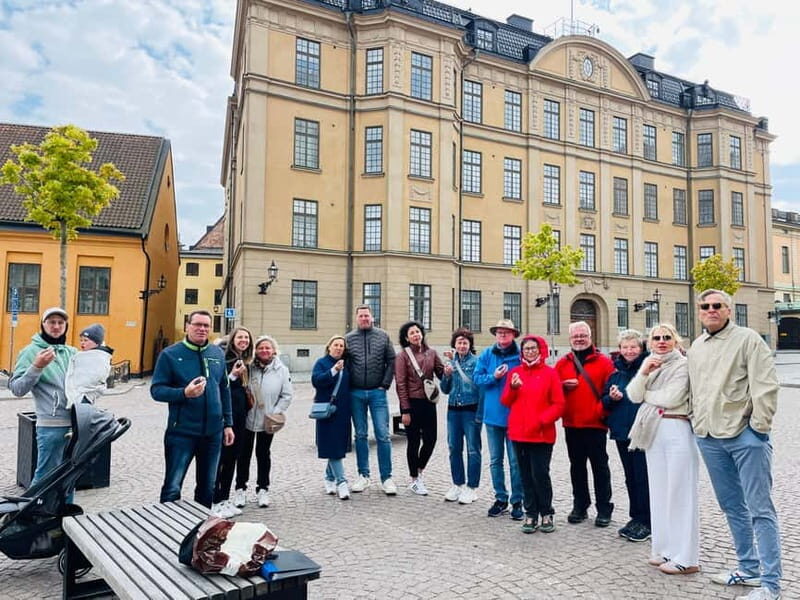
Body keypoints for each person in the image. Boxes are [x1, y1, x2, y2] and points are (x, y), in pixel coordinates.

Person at [688, 289, 782, 600]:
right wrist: (696, 421)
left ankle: (770, 586)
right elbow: (693, 389)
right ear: (699, 311)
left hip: (744, 437)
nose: (711, 310)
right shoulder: (697, 346)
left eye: (718, 306)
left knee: (760, 510)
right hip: (710, 438)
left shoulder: (748, 339)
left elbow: (765, 386)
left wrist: (757, 429)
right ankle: (748, 568)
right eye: (706, 306)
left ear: (729, 310)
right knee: (732, 507)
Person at [627, 324, 699, 575]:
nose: (661, 341)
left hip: (676, 428)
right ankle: (666, 548)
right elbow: (634, 394)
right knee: (659, 491)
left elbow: (673, 398)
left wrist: (648, 395)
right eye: (656, 338)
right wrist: (644, 374)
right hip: (654, 431)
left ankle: (686, 557)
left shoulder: (681, 364)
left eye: (667, 337)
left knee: (680, 493)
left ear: (675, 340)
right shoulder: (650, 363)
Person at [151, 310, 234, 508]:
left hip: (213, 434)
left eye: (206, 325)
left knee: (208, 487)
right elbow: (157, 390)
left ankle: (201, 531)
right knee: (172, 486)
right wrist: (184, 393)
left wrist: (228, 423)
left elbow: (224, 389)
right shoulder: (170, 354)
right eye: (197, 324)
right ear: (187, 326)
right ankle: (167, 528)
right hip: (182, 433)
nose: (202, 329)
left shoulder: (217, 354)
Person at [501, 335, 564, 534]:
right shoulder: (515, 373)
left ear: (540, 350)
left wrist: (542, 420)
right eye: (526, 348)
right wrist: (512, 388)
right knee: (525, 475)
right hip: (519, 433)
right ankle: (531, 512)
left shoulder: (550, 373)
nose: (529, 351)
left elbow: (559, 404)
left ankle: (546, 512)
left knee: (540, 474)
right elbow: (506, 401)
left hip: (542, 434)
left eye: (533, 348)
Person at [555, 321, 615, 527]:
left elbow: (610, 392)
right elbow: (552, 392)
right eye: (575, 336)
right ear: (569, 339)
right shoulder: (563, 363)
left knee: (600, 467)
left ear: (590, 337)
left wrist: (602, 412)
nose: (579, 339)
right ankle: (580, 505)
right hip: (571, 424)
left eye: (583, 335)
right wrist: (561, 387)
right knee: (577, 467)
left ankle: (604, 508)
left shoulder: (604, 362)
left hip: (595, 424)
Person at [10, 307, 77, 486]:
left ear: (66, 326)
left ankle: (64, 514)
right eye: (51, 322)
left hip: (77, 424)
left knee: (69, 478)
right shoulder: (30, 352)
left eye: (60, 323)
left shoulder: (72, 352)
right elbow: (17, 389)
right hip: (51, 426)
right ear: (43, 325)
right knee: (45, 478)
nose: (56, 326)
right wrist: (37, 366)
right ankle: (34, 513)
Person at [601, 329, 651, 543]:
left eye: (634, 347)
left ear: (641, 348)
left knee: (643, 478)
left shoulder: (648, 371)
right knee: (630, 477)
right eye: (625, 347)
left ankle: (647, 521)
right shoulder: (615, 374)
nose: (629, 351)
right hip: (622, 433)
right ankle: (635, 517)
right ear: (619, 349)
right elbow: (604, 402)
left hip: (642, 433)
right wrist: (611, 398)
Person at [473, 319, 524, 520]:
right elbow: (477, 379)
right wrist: (493, 376)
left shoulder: (520, 356)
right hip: (492, 416)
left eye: (506, 332)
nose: (502, 335)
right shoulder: (487, 354)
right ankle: (501, 498)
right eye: (499, 332)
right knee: (495, 461)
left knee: (515, 462)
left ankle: (517, 501)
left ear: (513, 335)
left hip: (515, 416)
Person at [345, 305, 398, 495]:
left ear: (372, 317)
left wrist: (384, 384)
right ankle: (363, 475)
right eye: (361, 316)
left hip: (377, 392)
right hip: (356, 393)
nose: (364, 318)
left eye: (367, 315)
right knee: (360, 435)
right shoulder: (349, 339)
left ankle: (387, 477)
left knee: (383, 434)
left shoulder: (382, 336)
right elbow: (344, 363)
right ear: (357, 318)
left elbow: (392, 360)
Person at [236, 335, 293, 508]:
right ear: (256, 351)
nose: (264, 351)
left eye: (268, 348)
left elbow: (287, 395)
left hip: (267, 421)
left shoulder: (281, 370)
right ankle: (240, 489)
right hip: (247, 419)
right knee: (243, 455)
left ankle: (263, 489)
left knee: (263, 454)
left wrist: (274, 413)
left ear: (274, 350)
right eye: (261, 348)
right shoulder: (248, 367)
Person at [394, 320, 444, 495]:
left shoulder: (432, 353)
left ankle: (420, 470)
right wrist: (405, 410)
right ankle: (414, 479)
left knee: (431, 439)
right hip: (412, 404)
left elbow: (441, 373)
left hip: (428, 403)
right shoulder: (402, 356)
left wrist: (448, 370)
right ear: (407, 338)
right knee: (413, 442)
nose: (416, 335)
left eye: (417, 332)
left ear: (422, 334)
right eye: (412, 333)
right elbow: (400, 384)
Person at [213, 326, 254, 517]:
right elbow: (219, 386)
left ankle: (224, 498)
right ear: (233, 339)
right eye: (240, 337)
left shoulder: (242, 359)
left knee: (233, 457)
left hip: (239, 414)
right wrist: (233, 376)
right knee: (222, 458)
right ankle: (215, 499)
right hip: (226, 413)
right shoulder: (225, 358)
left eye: (246, 338)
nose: (243, 340)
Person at [439, 328, 481, 504]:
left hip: (471, 410)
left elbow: (480, 385)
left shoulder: (477, 362)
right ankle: (457, 484)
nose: (462, 345)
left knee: (473, 449)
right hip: (453, 410)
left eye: (465, 343)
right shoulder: (450, 363)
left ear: (470, 345)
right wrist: (446, 376)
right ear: (454, 345)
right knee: (454, 448)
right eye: (459, 343)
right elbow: (444, 389)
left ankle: (472, 488)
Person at [312, 335, 353, 500]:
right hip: (327, 411)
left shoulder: (346, 365)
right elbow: (317, 381)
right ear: (329, 347)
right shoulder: (321, 363)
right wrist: (333, 370)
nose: (338, 348)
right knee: (333, 447)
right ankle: (341, 482)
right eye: (336, 345)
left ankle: (329, 478)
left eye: (341, 346)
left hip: (343, 411)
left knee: (337, 447)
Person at [65, 323, 113, 408]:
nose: (82, 343)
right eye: (81, 340)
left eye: (86, 340)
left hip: (83, 397)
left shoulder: (100, 357)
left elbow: (92, 379)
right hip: (80, 396)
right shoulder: (81, 355)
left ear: (96, 343)